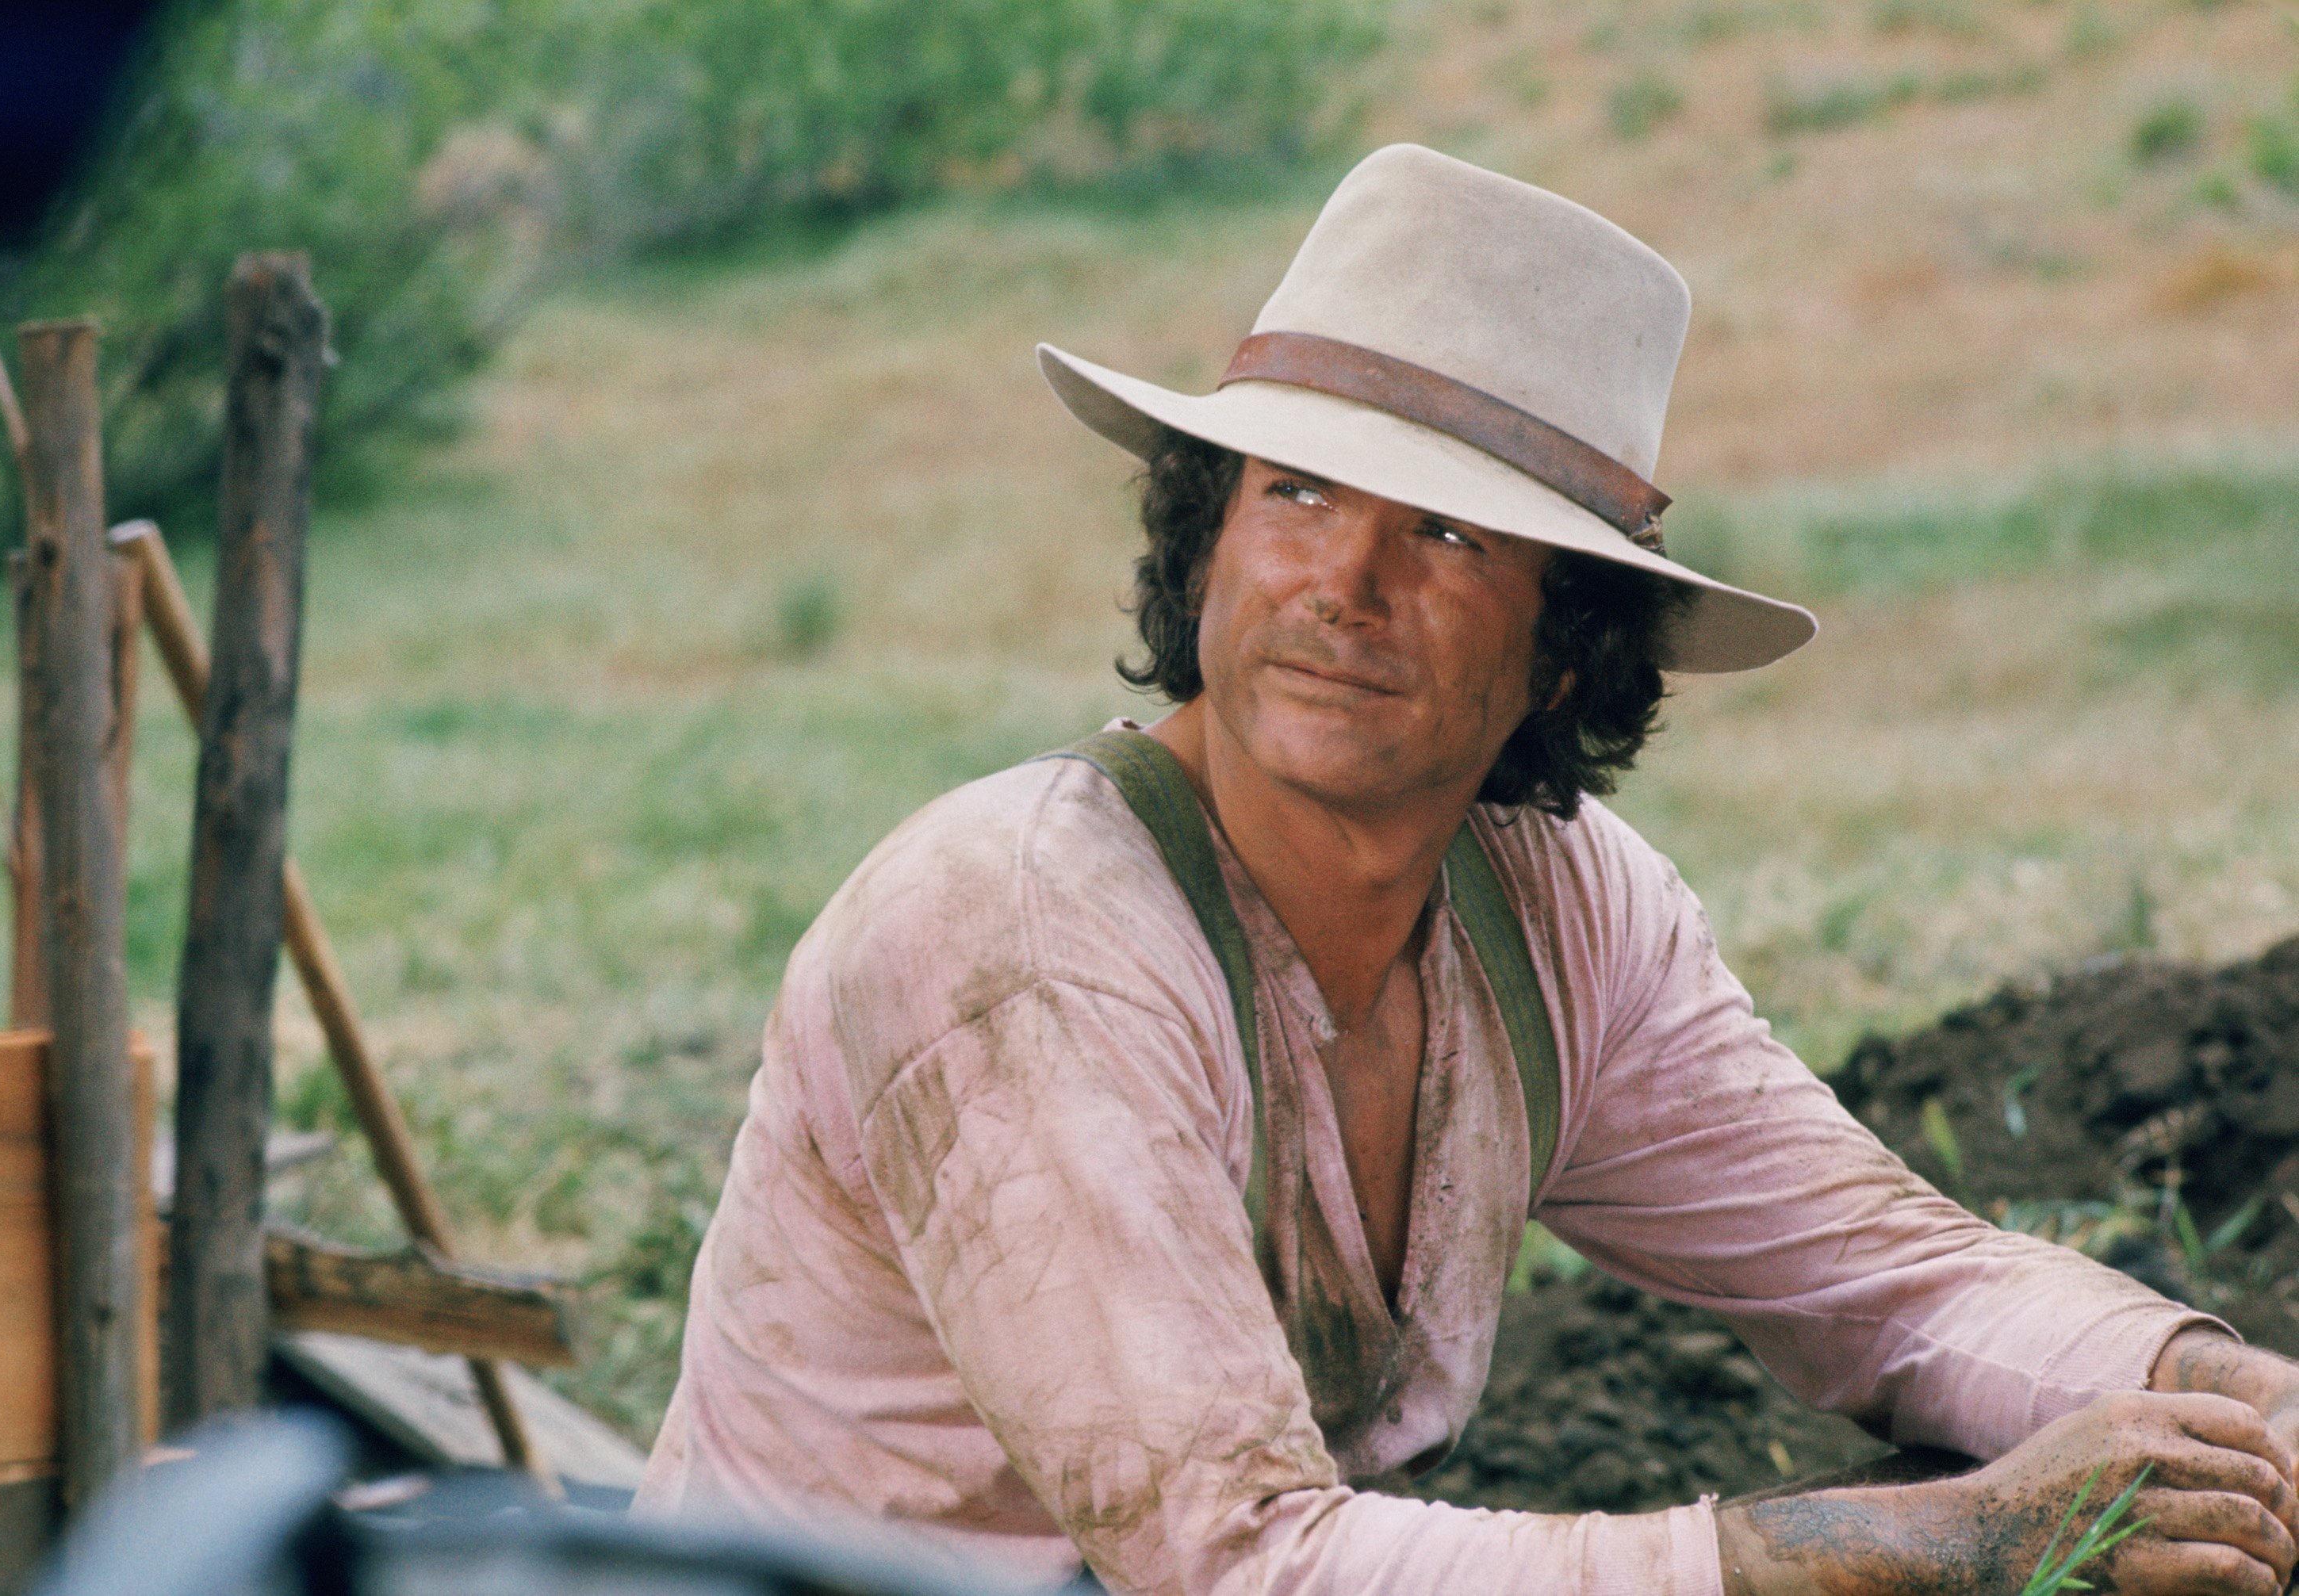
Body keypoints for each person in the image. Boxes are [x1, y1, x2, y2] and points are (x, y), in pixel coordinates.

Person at [636, 144, 2299, 1595]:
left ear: (1568, 645)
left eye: (1442, 535)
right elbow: (1236, 1562)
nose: (1342, 583)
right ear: (1204, 538)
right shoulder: (1020, 932)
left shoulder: (1556, 909)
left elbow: (1892, 1278)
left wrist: (2234, 1403)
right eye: (1294, 494)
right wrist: (1925, 1544)